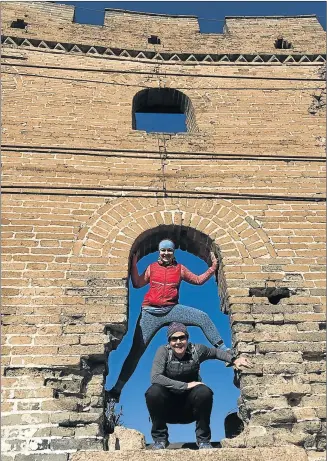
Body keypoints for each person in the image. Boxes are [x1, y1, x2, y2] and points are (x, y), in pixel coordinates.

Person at [106, 238, 229, 403]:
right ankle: (116, 390)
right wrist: (134, 265)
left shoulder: (180, 269)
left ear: (173, 253)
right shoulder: (152, 268)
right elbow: (137, 283)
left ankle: (224, 349)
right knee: (136, 352)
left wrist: (213, 268)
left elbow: (198, 280)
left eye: (169, 250)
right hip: (150, 313)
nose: (166, 253)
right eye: (163, 250)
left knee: (202, 317)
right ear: (159, 252)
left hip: (172, 309)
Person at [145, 322, 252, 450]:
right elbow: (155, 377)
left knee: (204, 391)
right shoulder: (163, 352)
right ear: (169, 341)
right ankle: (160, 440)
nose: (178, 342)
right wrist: (186, 385)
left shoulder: (197, 350)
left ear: (187, 338)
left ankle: (203, 441)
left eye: (182, 338)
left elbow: (216, 353)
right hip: (168, 409)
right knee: (153, 392)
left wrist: (234, 360)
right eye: (174, 339)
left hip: (190, 409)